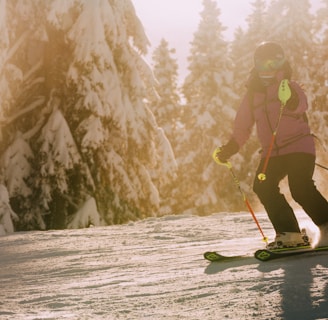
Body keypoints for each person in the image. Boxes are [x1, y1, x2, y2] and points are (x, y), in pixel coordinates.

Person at [215, 41, 328, 249]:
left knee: (300, 188)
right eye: (263, 64)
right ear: (256, 66)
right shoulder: (252, 96)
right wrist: (231, 147)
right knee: (263, 186)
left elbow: (301, 104)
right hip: (272, 153)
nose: (269, 69)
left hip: (299, 147)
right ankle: (290, 234)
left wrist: (292, 100)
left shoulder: (289, 86)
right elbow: (242, 126)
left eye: (274, 63)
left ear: (282, 64)